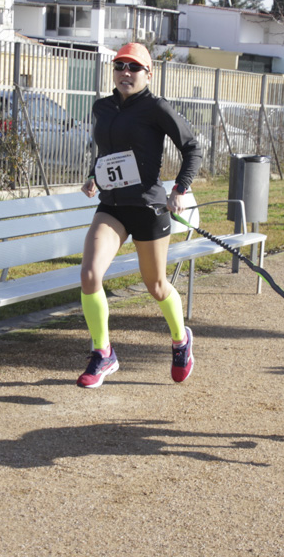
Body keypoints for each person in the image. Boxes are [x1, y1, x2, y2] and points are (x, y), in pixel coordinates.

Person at [76, 43, 202, 389]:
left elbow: (191, 147)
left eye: (134, 67)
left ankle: (180, 340)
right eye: (120, 66)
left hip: (147, 206)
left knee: (157, 286)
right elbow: (107, 152)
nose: (125, 73)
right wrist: (94, 175)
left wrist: (180, 189)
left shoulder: (156, 107)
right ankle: (103, 353)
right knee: (89, 275)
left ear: (149, 73)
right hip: (113, 207)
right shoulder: (102, 107)